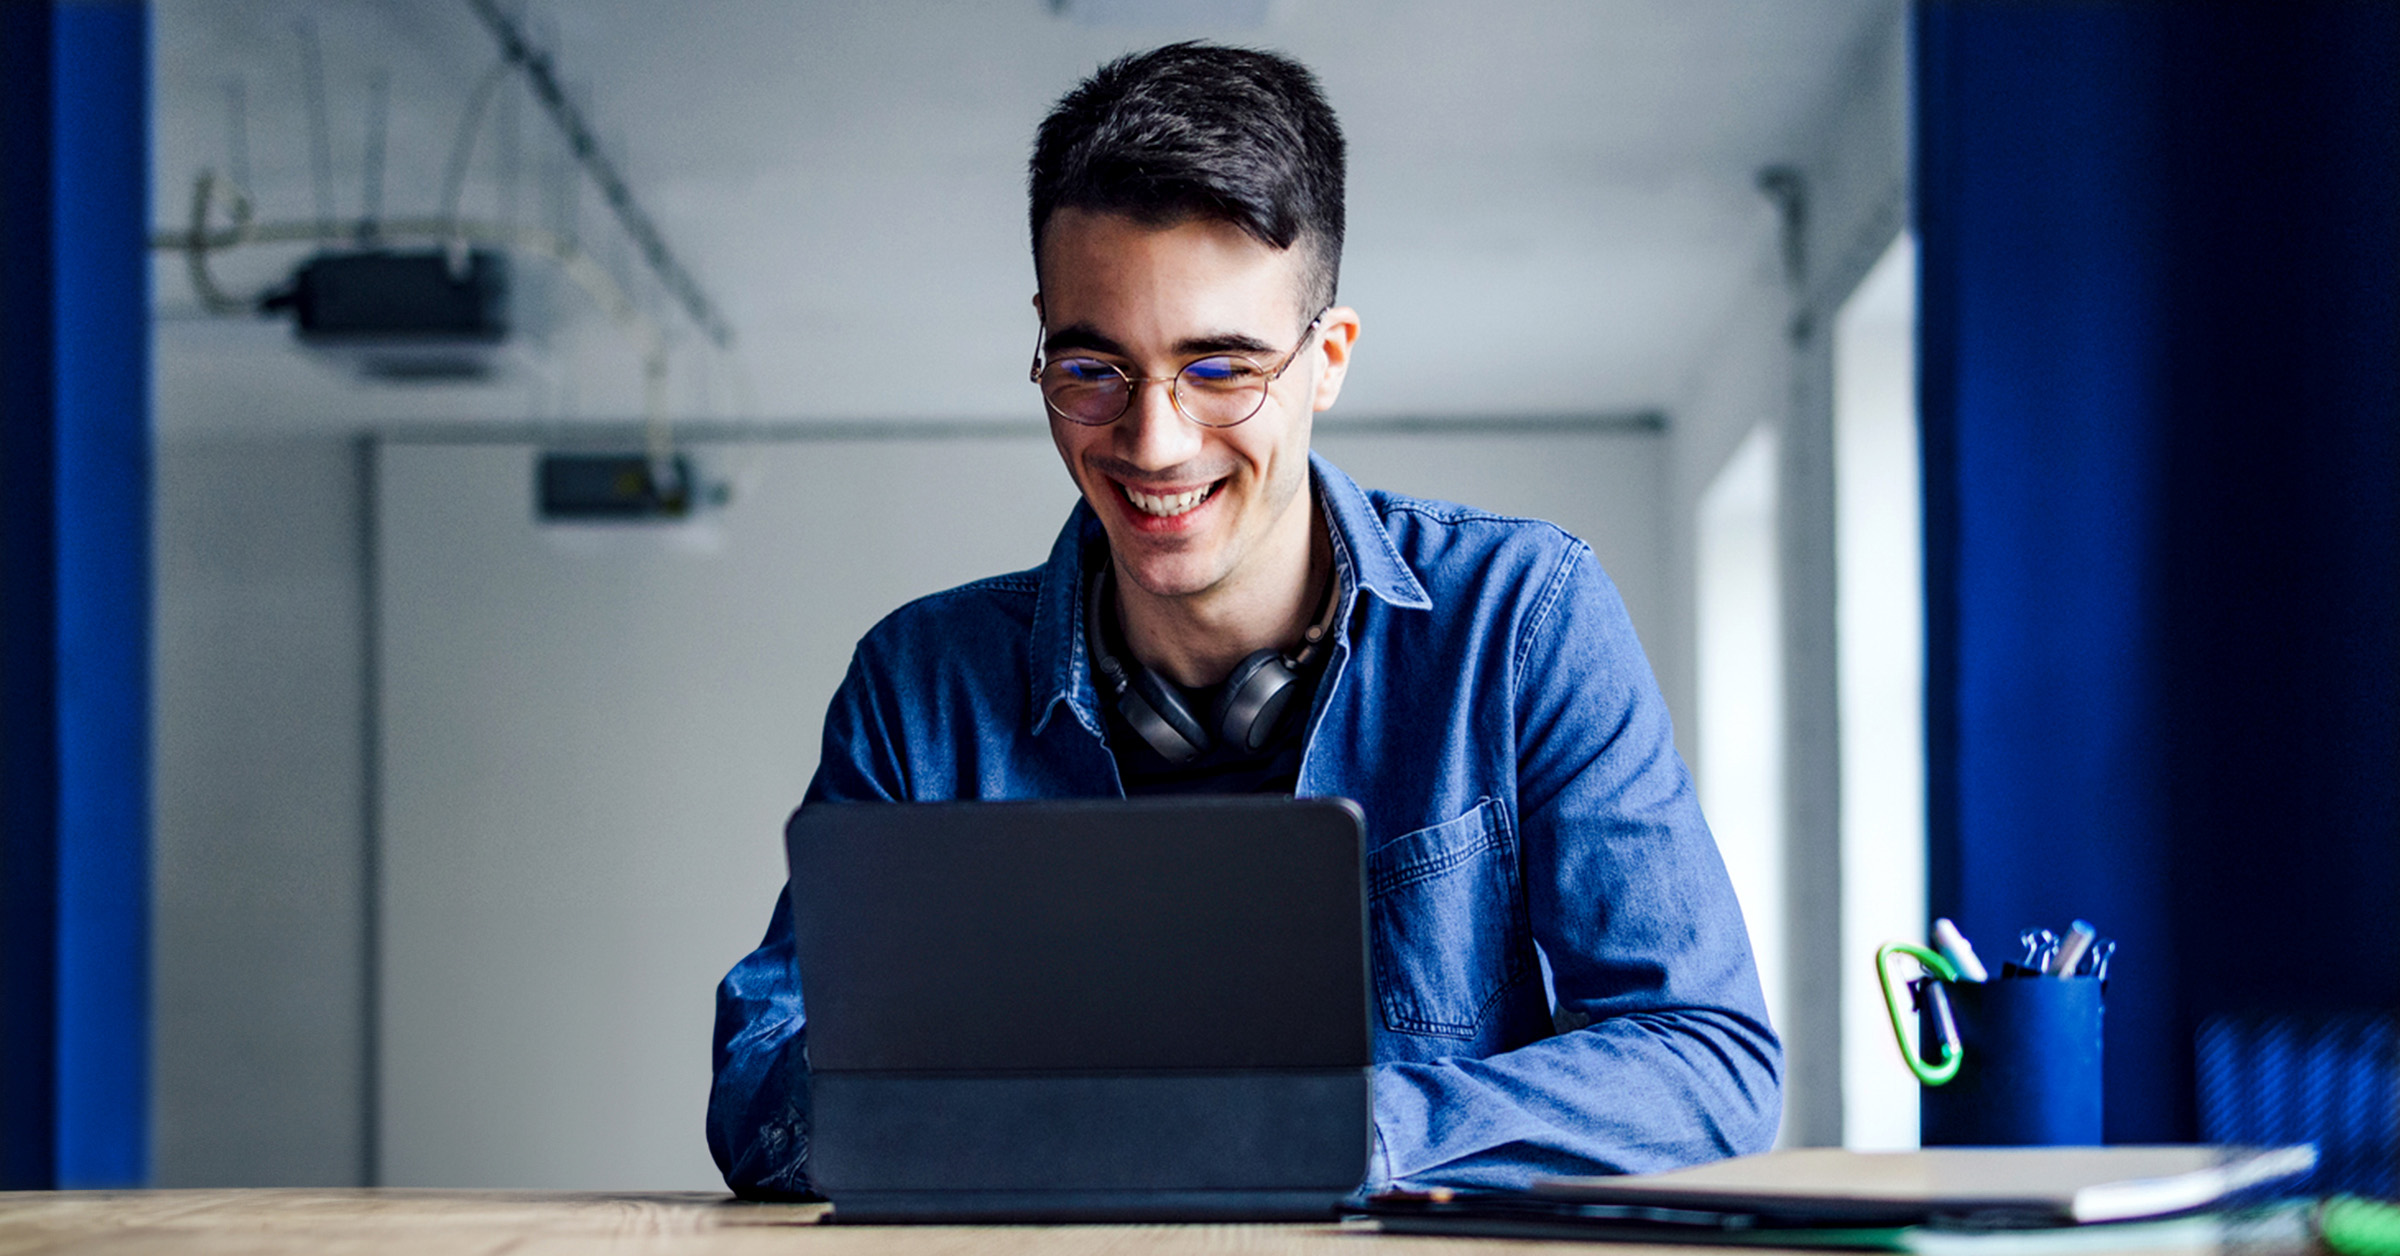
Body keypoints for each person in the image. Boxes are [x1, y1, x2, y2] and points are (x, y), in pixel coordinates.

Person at [708, 41, 1780, 1200]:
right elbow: (762, 1089)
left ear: (1328, 359)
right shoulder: (917, 685)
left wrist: (1328, 1129)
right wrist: (1071, 1115)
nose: (1154, 440)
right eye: (1093, 368)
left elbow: (1707, 1066)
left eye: (1221, 368)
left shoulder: (1525, 620)